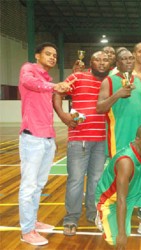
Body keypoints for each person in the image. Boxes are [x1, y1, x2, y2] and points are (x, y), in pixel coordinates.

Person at [18, 42, 71, 246]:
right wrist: (54, 86)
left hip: (47, 138)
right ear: (37, 55)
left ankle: (33, 222)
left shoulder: (47, 78)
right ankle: (27, 231)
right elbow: (30, 83)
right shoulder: (28, 69)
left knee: (39, 185)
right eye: (48, 54)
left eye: (55, 55)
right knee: (29, 186)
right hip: (32, 138)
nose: (52, 57)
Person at [53, 51, 110, 235]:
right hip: (79, 138)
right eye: (97, 60)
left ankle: (92, 213)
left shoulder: (110, 81)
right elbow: (57, 92)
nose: (101, 63)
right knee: (76, 180)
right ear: (90, 62)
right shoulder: (77, 77)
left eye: (105, 60)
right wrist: (62, 115)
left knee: (96, 179)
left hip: (101, 139)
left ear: (110, 63)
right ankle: (71, 218)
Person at [95, 125, 141, 248]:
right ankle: (101, 216)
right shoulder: (126, 162)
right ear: (137, 140)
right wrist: (122, 234)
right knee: (118, 240)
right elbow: (121, 199)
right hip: (112, 200)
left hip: (135, 189)